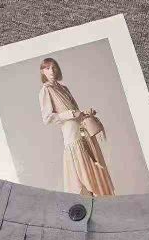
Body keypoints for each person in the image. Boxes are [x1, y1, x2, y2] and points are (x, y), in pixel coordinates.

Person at [38, 57, 115, 196]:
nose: (51, 71)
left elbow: (76, 112)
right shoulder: (46, 90)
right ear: (43, 71)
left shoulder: (63, 88)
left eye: (54, 67)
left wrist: (84, 113)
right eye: (47, 68)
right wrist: (71, 114)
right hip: (71, 136)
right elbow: (47, 118)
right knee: (82, 177)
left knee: (94, 170)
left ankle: (101, 200)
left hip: (82, 133)